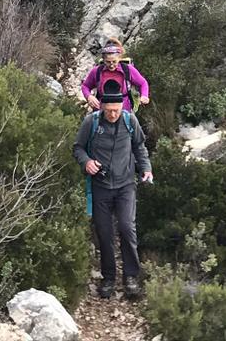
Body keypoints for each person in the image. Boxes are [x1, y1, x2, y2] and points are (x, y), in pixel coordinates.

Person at [73, 81, 153, 299]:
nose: (113, 114)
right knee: (104, 233)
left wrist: (146, 169)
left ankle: (131, 278)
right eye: (108, 111)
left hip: (126, 185)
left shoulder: (129, 120)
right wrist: (87, 162)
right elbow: (78, 148)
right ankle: (108, 278)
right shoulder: (91, 122)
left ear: (122, 107)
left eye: (116, 110)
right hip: (100, 187)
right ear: (101, 108)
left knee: (127, 229)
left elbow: (139, 146)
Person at [81, 39, 150, 112]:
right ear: (103, 60)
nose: (111, 65)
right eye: (108, 62)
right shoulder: (97, 71)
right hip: (101, 112)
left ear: (119, 58)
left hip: (124, 112)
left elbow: (142, 83)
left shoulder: (127, 69)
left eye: (114, 62)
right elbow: (85, 86)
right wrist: (89, 96)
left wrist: (144, 96)